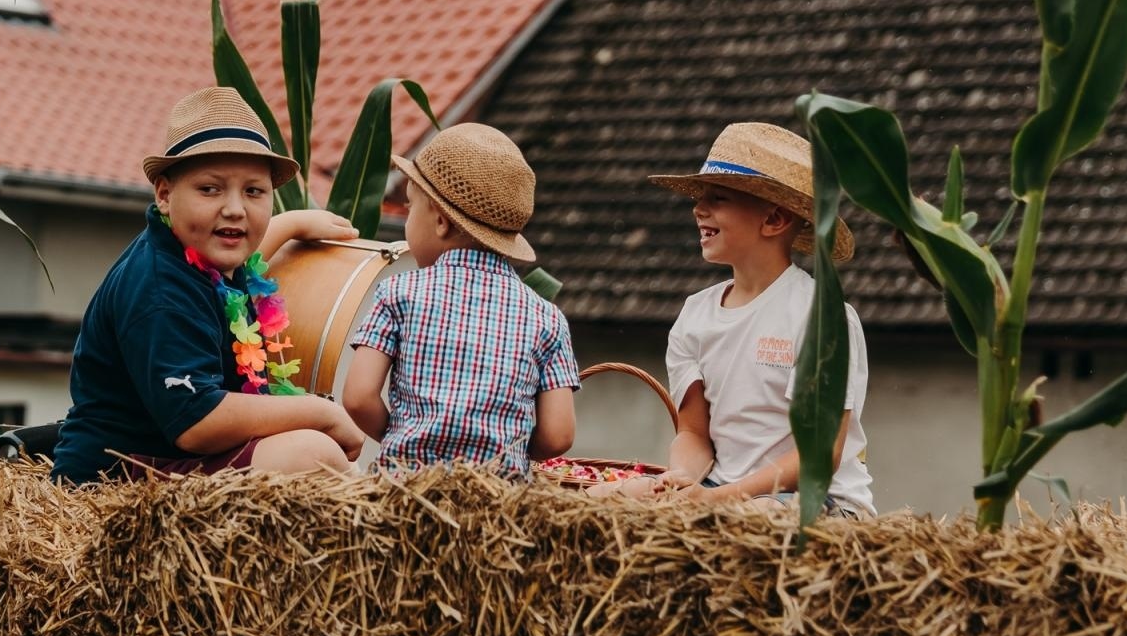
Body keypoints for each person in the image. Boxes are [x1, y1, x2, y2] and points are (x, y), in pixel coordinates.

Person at [51, 87, 366, 483]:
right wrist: (323, 412)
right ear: (165, 195)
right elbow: (197, 422)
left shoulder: (198, 256)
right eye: (210, 189)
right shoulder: (160, 290)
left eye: (254, 191)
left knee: (339, 464)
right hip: (118, 477)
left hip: (168, 461)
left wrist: (291, 224)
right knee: (313, 454)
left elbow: (233, 271)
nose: (235, 208)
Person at [590, 122, 873, 514]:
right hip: (719, 488)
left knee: (758, 517)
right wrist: (683, 478)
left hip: (813, 500)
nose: (698, 208)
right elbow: (693, 433)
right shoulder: (695, 315)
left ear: (774, 220)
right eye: (701, 197)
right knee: (598, 500)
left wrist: (716, 499)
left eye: (718, 197)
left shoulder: (822, 318)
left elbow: (820, 457)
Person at [341, 123, 577, 479]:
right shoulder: (547, 317)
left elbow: (358, 397)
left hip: (404, 491)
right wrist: (505, 451)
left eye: (409, 210)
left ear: (439, 221)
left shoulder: (399, 292)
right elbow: (559, 435)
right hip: (500, 507)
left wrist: (401, 438)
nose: (406, 222)